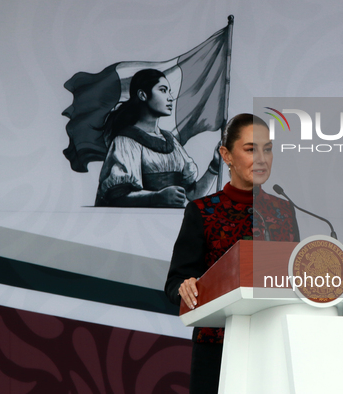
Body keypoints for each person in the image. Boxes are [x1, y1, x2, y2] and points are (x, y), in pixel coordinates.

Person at [164, 113, 300, 393]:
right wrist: (185, 287)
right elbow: (175, 281)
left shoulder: (284, 210)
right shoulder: (202, 211)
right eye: (251, 149)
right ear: (226, 155)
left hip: (274, 344)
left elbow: (294, 278)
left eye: (268, 149)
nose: (262, 158)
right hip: (217, 348)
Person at [95, 68, 220, 207]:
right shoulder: (125, 141)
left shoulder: (171, 141)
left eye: (169, 91)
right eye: (163, 90)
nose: (170, 97)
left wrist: (215, 166)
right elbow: (116, 198)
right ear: (143, 95)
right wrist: (156, 197)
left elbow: (192, 195)